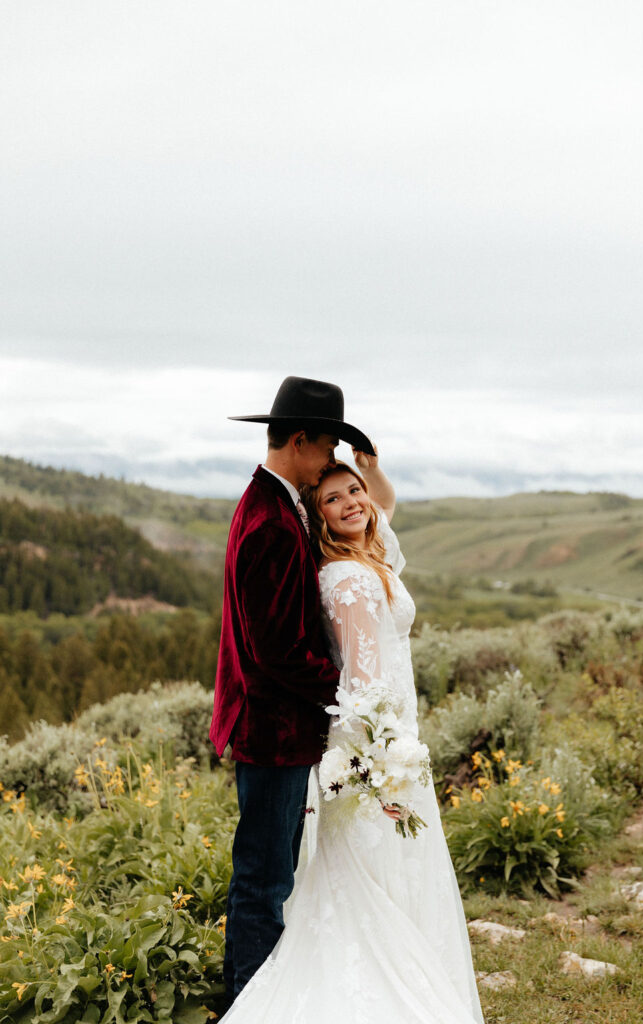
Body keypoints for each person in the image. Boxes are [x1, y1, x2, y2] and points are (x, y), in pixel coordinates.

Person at [219, 448, 485, 1024]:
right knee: (374, 857)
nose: (351, 504)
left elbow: (381, 506)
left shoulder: (370, 553)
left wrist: (371, 470)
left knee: (387, 860)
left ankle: (408, 958)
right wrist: (379, 764)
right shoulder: (347, 579)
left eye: (353, 492)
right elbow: (361, 686)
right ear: (317, 515)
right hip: (377, 744)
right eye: (332, 498)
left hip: (391, 735)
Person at [210, 375, 376, 1011]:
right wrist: (350, 692)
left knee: (268, 870)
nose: (331, 460)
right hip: (274, 730)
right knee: (264, 879)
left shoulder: (272, 502)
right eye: (328, 445)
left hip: (273, 726)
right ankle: (249, 1005)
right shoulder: (273, 521)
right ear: (301, 440)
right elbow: (276, 649)